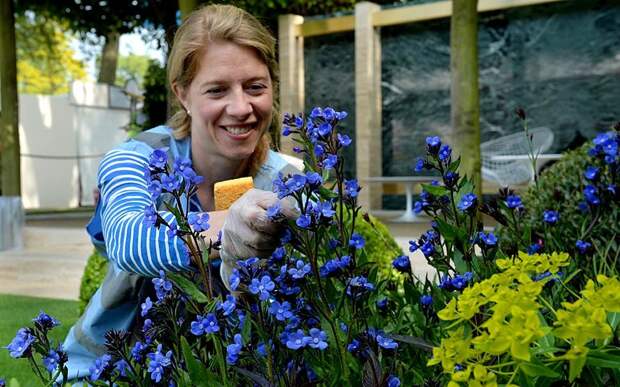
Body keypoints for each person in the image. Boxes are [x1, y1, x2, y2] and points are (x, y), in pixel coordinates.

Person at [62, 4, 299, 380]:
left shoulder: (288, 177)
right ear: (183, 95)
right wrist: (231, 227)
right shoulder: (135, 159)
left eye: (255, 87)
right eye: (217, 89)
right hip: (111, 371)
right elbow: (128, 242)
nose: (241, 107)